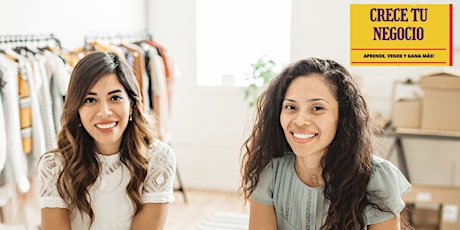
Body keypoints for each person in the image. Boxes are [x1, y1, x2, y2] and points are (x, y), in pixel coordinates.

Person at [240, 57, 412, 230]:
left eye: (317, 108)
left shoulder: (376, 178)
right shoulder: (269, 171)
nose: (300, 120)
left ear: (342, 116)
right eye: (291, 107)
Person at [38, 51, 176, 230]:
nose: (104, 112)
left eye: (115, 98)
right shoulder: (54, 165)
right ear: (77, 109)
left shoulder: (159, 158)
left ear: (132, 104)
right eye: (90, 100)